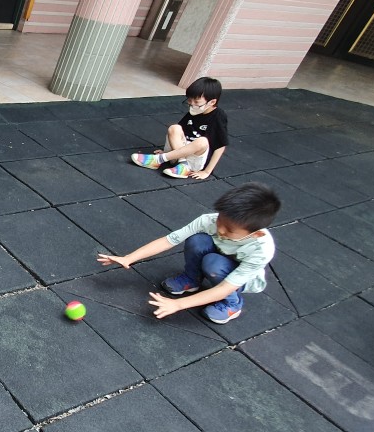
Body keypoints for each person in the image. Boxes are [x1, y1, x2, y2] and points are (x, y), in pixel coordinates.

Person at [96, 182, 280, 324]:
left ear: (256, 233)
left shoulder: (261, 250)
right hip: (216, 258)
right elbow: (169, 240)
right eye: (220, 220)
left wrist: (178, 304)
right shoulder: (209, 221)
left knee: (213, 264)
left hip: (237, 278)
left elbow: (225, 287)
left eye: (230, 230)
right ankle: (192, 279)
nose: (221, 229)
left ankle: (232, 304)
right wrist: (129, 258)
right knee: (197, 240)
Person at [130, 77, 227, 180]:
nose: (192, 104)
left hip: (194, 161)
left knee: (202, 141)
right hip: (179, 156)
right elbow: (178, 132)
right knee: (174, 128)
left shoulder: (219, 116)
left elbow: (220, 146)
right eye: (189, 100)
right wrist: (169, 152)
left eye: (196, 102)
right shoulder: (195, 110)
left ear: (212, 102)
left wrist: (207, 171)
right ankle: (181, 164)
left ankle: (159, 160)